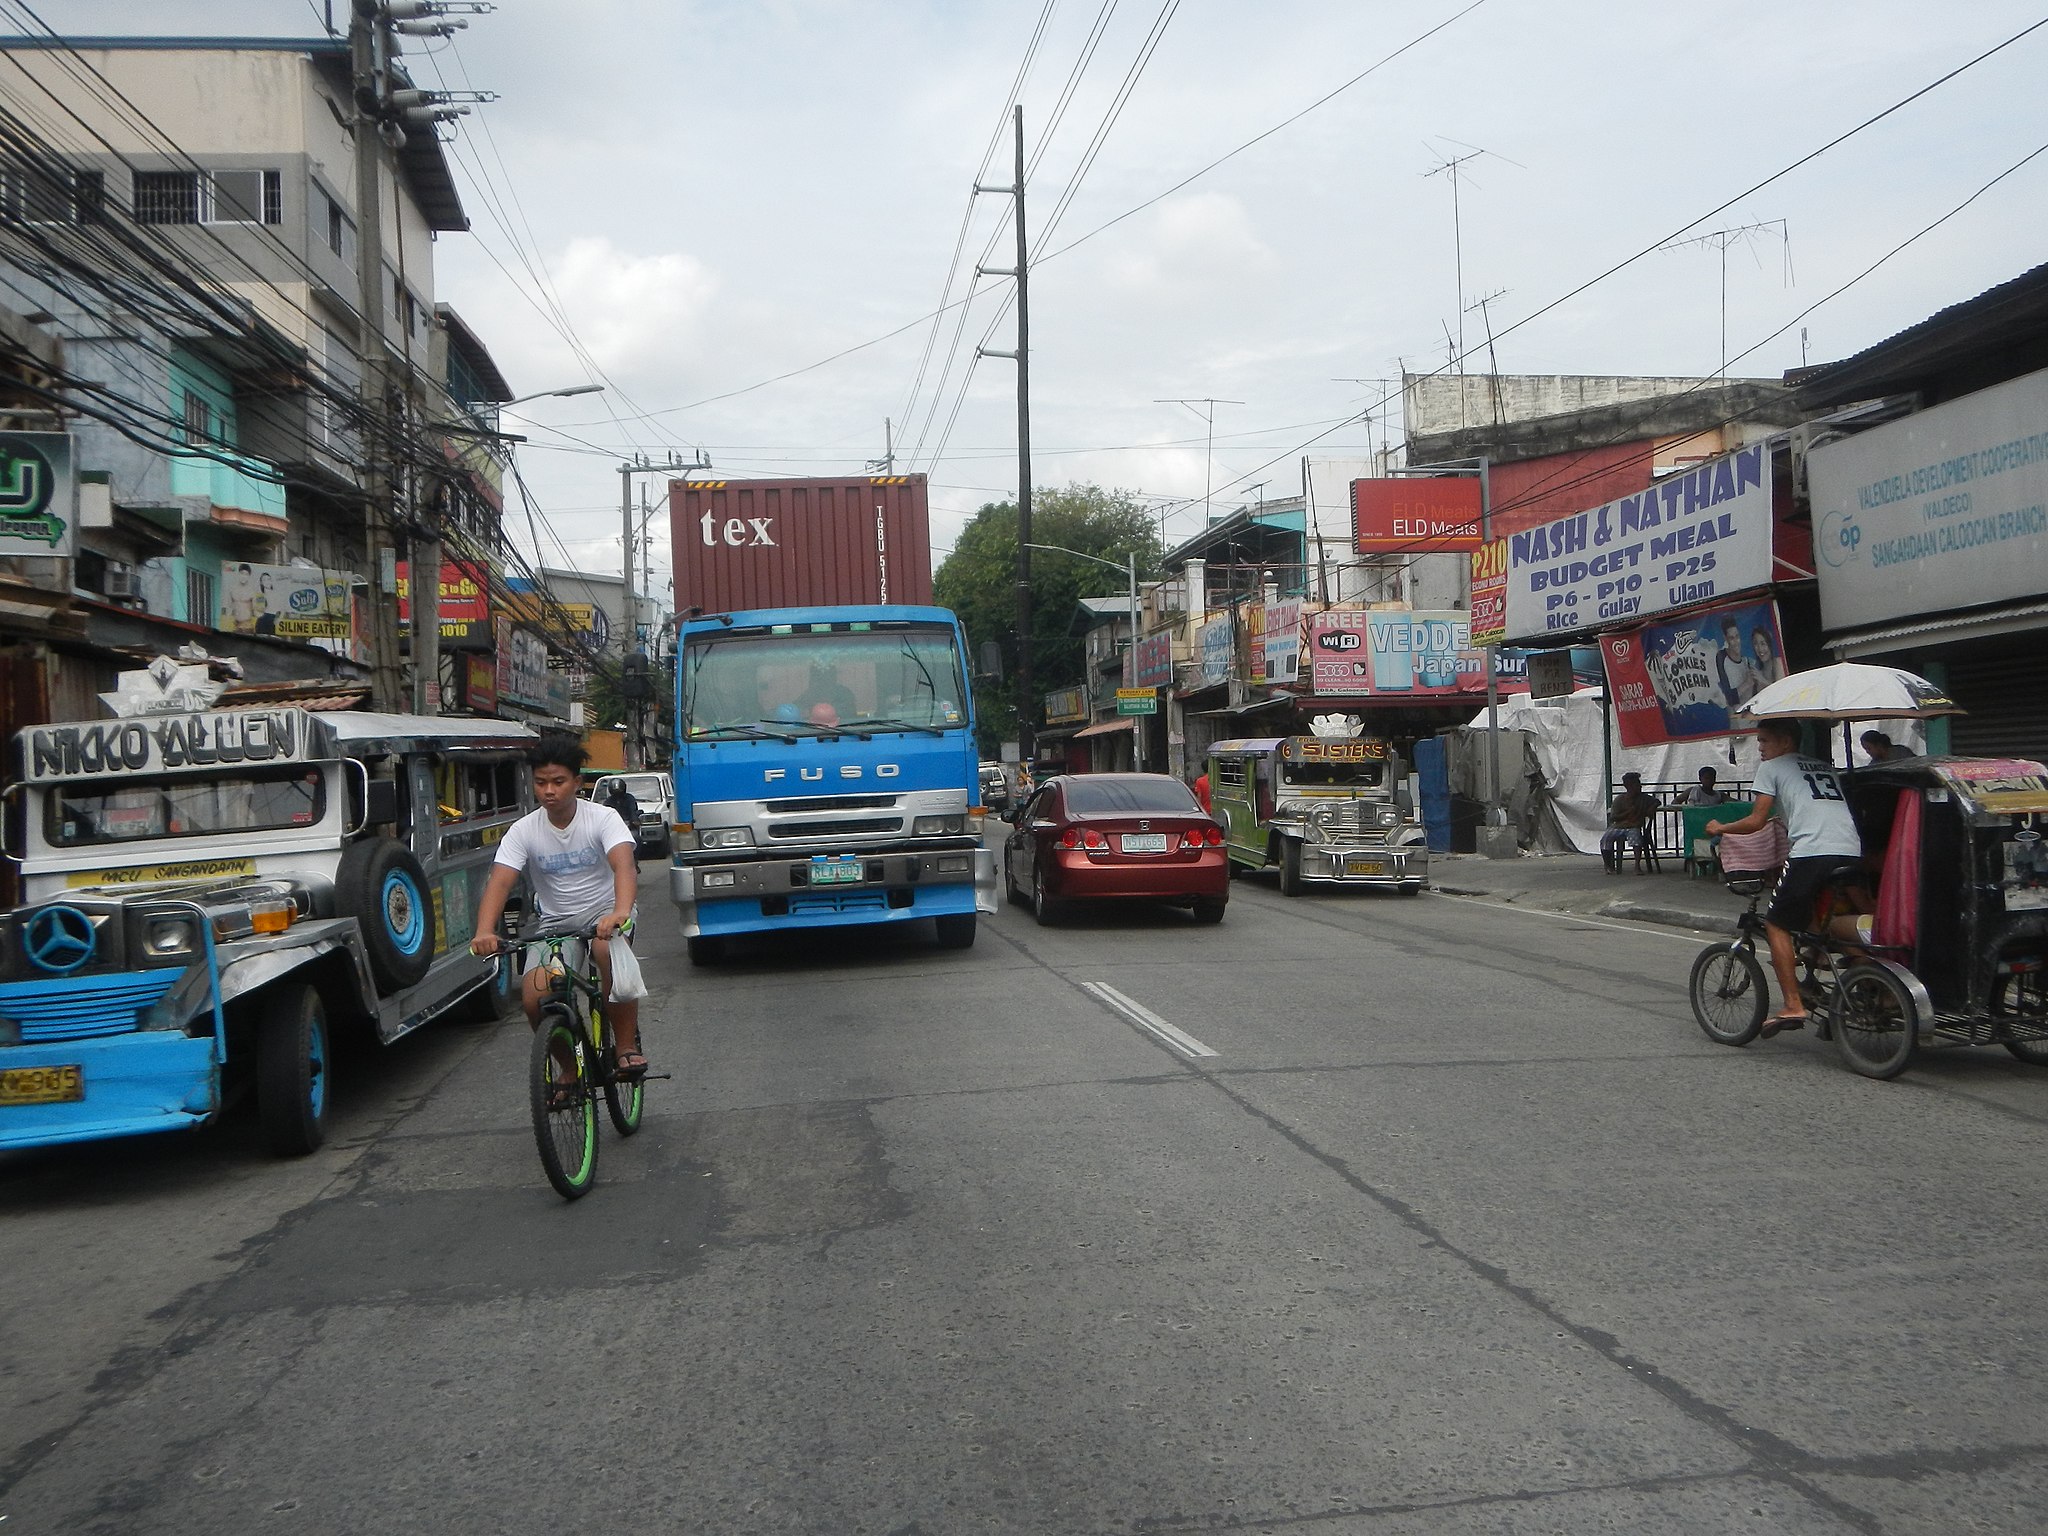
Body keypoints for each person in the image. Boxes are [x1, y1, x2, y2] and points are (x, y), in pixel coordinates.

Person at [470, 735, 646, 1075]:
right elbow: (501, 881)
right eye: (541, 783)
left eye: (558, 782)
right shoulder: (523, 831)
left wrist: (621, 911)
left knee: (608, 955)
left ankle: (625, 1046)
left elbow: (623, 865)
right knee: (533, 997)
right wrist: (484, 931)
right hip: (555, 924)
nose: (549, 790)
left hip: (606, 915)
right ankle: (570, 1068)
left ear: (577, 783)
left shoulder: (603, 818)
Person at [1707, 718, 1869, 1038]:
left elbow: (1756, 820)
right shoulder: (1822, 767)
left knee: (1776, 922)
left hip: (1813, 852)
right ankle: (1866, 977)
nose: (1760, 747)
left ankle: (1793, 1004)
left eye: (1764, 741)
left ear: (1784, 742)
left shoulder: (1772, 768)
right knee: (1818, 920)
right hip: (1850, 850)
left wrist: (1720, 828)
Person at [1600, 772, 1660, 873]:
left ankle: (1637, 866)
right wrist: (1627, 813)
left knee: (1636, 839)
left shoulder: (1643, 798)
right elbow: (1613, 818)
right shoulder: (1619, 799)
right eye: (1637, 784)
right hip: (1618, 827)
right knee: (1605, 840)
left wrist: (1652, 807)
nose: (1640, 786)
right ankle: (1608, 865)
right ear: (1629, 786)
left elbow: (1657, 801)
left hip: (1633, 827)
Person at [1714, 615, 1757, 709]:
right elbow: (1728, 699)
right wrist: (1747, 683)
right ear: (1725, 638)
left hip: (1753, 717)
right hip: (1737, 719)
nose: (1736, 641)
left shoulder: (1747, 661)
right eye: (1731, 638)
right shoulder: (1721, 657)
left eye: (1737, 636)